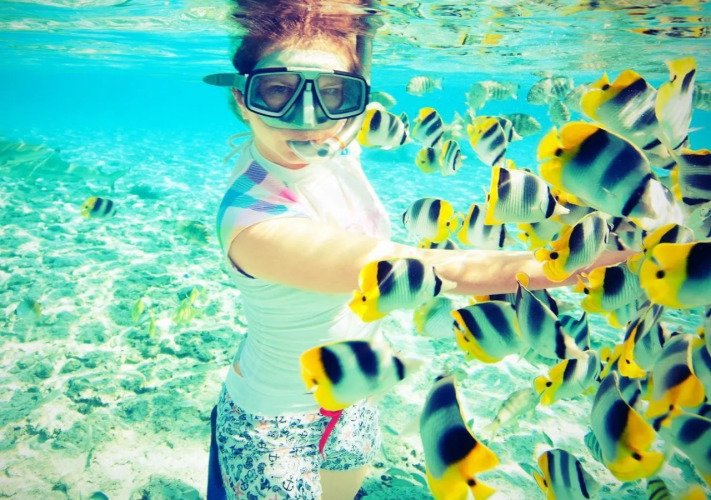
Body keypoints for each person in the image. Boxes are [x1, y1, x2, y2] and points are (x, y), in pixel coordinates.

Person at [204, 1, 633, 499]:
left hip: (355, 394)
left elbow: (352, 82)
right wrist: (559, 262)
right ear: (242, 99)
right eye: (277, 90)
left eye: (333, 93)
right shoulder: (253, 222)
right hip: (272, 422)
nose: (307, 116)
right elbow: (423, 270)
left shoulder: (335, 145)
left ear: (355, 102)